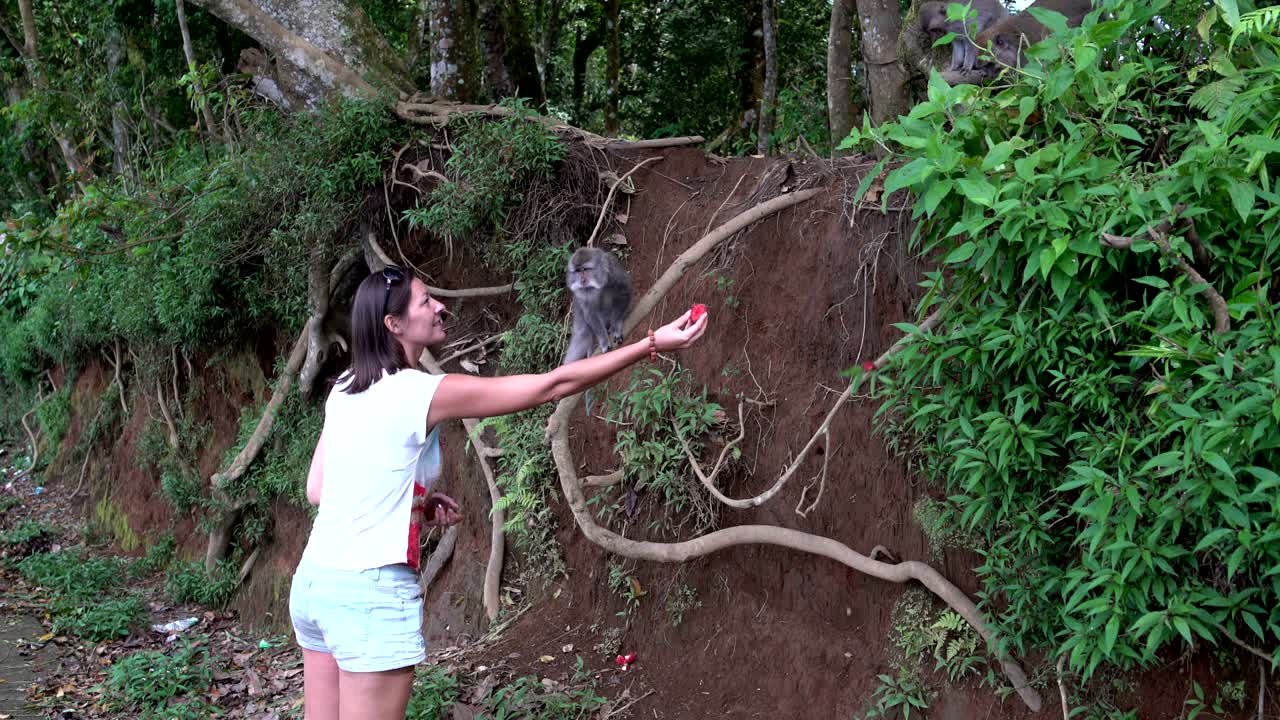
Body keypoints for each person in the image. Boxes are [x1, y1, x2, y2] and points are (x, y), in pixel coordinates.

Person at [289, 265, 708, 720]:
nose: (440, 306)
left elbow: (319, 489)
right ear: (394, 324)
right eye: (425, 301)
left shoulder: (345, 388)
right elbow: (552, 385)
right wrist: (650, 344)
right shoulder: (420, 392)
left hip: (316, 584)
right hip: (366, 595)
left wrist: (415, 506)